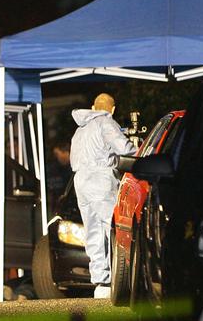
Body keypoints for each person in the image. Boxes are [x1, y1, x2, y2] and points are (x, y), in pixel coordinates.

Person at [69, 93, 136, 299]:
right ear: (113, 110)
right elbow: (125, 149)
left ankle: (101, 282)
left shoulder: (80, 129)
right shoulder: (105, 122)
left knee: (93, 232)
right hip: (100, 179)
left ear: (92, 106)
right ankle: (120, 279)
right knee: (112, 228)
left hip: (80, 180)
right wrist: (142, 151)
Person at [47, 141, 72, 214]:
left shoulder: (74, 169)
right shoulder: (60, 168)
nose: (57, 157)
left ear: (66, 153)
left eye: (57, 154)